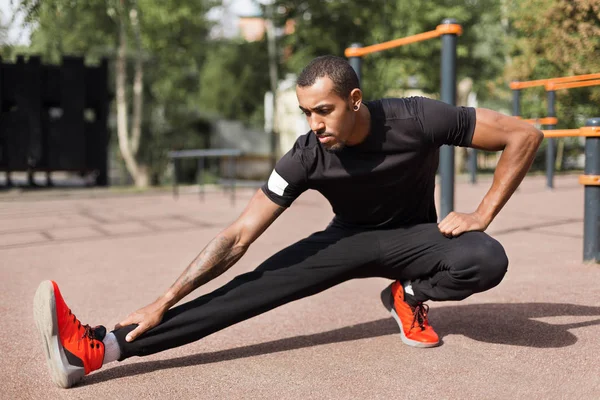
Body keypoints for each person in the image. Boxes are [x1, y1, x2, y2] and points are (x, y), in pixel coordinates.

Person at [33, 55, 543, 388]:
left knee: (484, 256)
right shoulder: (305, 156)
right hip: (346, 241)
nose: (314, 125)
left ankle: (408, 297)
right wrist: (165, 298)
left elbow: (524, 134)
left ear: (356, 101)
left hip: (415, 239)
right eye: (305, 113)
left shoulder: (418, 118)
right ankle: (101, 349)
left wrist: (483, 212)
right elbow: (237, 237)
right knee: (245, 292)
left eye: (323, 111)